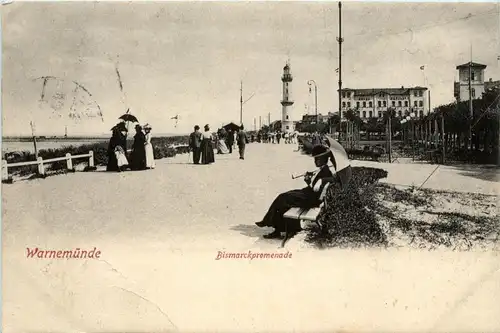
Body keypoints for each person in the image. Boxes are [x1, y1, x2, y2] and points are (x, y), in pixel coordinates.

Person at [255, 144, 340, 239]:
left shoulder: (326, 172)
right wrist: (308, 180)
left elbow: (317, 188)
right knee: (285, 197)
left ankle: (272, 224)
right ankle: (289, 228)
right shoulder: (323, 170)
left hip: (310, 199)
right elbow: (314, 187)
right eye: (315, 159)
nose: (315, 161)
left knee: (283, 198)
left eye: (318, 159)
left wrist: (321, 180)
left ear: (324, 159)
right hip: (309, 195)